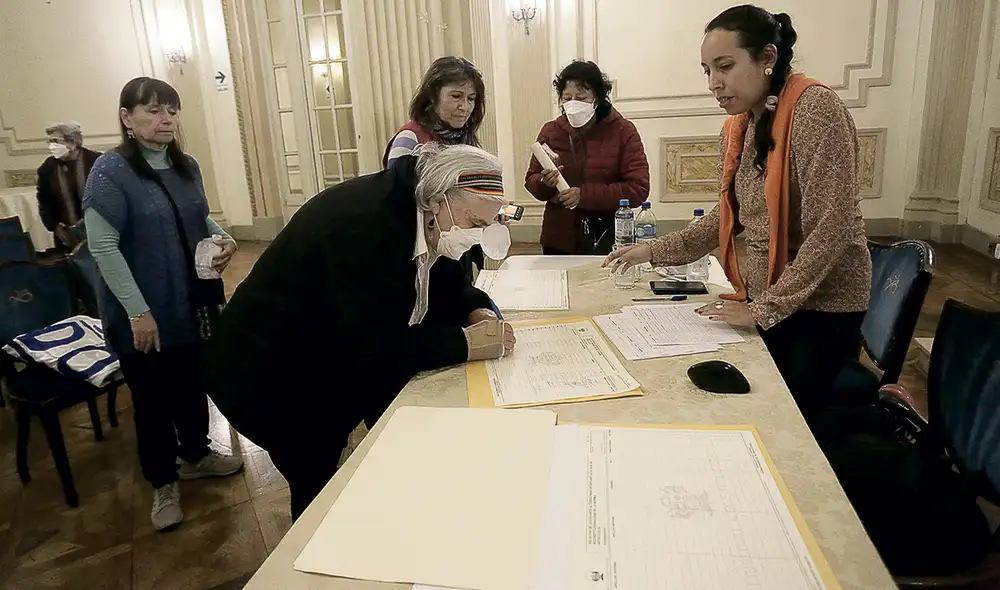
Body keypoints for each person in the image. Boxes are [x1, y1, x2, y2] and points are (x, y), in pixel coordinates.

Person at [203, 143, 517, 520]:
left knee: (385, 439)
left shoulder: (438, 215)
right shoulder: (362, 224)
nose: (476, 236)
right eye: (476, 225)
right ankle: (314, 562)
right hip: (267, 370)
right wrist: (463, 343)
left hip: (333, 352)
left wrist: (475, 308)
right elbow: (369, 346)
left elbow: (447, 281)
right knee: (315, 473)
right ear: (437, 200)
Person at [604, 6, 871, 418]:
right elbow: (727, 216)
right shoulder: (746, 122)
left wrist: (763, 310)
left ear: (767, 58)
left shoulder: (815, 109)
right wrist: (652, 251)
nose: (714, 83)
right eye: (707, 71)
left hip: (821, 309)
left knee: (772, 412)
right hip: (777, 297)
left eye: (725, 67)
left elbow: (831, 228)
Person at [83, 77, 243, 532]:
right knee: (153, 399)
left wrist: (223, 237)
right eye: (152, 110)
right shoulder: (111, 171)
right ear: (126, 118)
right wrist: (138, 311)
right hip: (142, 309)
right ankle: (162, 482)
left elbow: (197, 215)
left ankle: (195, 454)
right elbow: (104, 246)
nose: (165, 118)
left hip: (191, 300)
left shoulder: (186, 164)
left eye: (171, 109)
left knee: (193, 382)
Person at [525, 60, 650, 255]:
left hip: (605, 238)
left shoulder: (623, 131)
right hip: (558, 238)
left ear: (598, 99)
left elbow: (638, 189)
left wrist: (583, 195)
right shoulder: (551, 131)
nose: (573, 104)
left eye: (581, 98)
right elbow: (531, 181)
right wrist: (544, 182)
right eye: (567, 98)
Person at [384, 56, 488, 276]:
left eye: (471, 98)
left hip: (457, 247)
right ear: (433, 97)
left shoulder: (464, 141)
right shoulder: (410, 138)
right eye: (456, 96)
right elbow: (396, 199)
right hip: (419, 252)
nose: (465, 107)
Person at [36, 122, 101, 250]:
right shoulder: (48, 167)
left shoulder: (96, 161)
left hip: (99, 231)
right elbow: (44, 201)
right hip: (66, 236)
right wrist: (54, 226)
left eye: (56, 141)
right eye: (49, 141)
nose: (51, 146)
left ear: (73, 142)